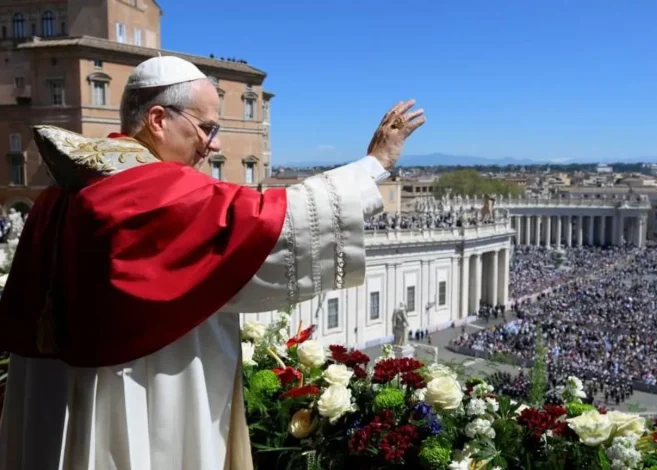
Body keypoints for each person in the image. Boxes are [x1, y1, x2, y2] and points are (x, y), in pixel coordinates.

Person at [0, 56, 425, 470]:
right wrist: (376, 164)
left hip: (58, 398)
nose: (215, 143)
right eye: (206, 128)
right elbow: (271, 223)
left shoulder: (64, 191)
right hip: (141, 392)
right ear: (159, 120)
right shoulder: (150, 190)